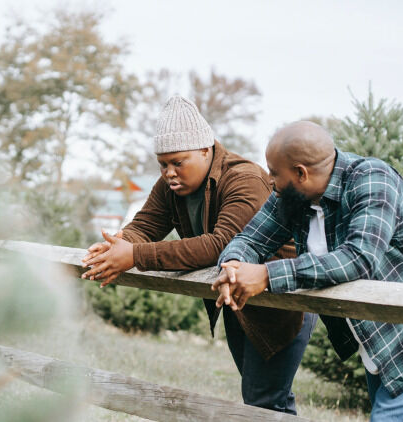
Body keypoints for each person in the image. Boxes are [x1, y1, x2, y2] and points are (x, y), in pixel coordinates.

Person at [212, 121, 403, 421]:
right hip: (375, 332)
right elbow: (249, 239)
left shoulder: (372, 179)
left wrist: (267, 276)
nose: (269, 180)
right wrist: (233, 267)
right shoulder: (292, 198)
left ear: (300, 173)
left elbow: (358, 258)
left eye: (274, 172)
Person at [81, 96, 317, 415]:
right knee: (265, 401)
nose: (169, 172)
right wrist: (118, 244)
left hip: (282, 303)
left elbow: (221, 245)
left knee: (264, 403)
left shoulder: (243, 178)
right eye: (162, 164)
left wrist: (135, 254)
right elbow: (146, 223)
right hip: (240, 302)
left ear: (206, 150)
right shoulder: (171, 185)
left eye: (178, 162)